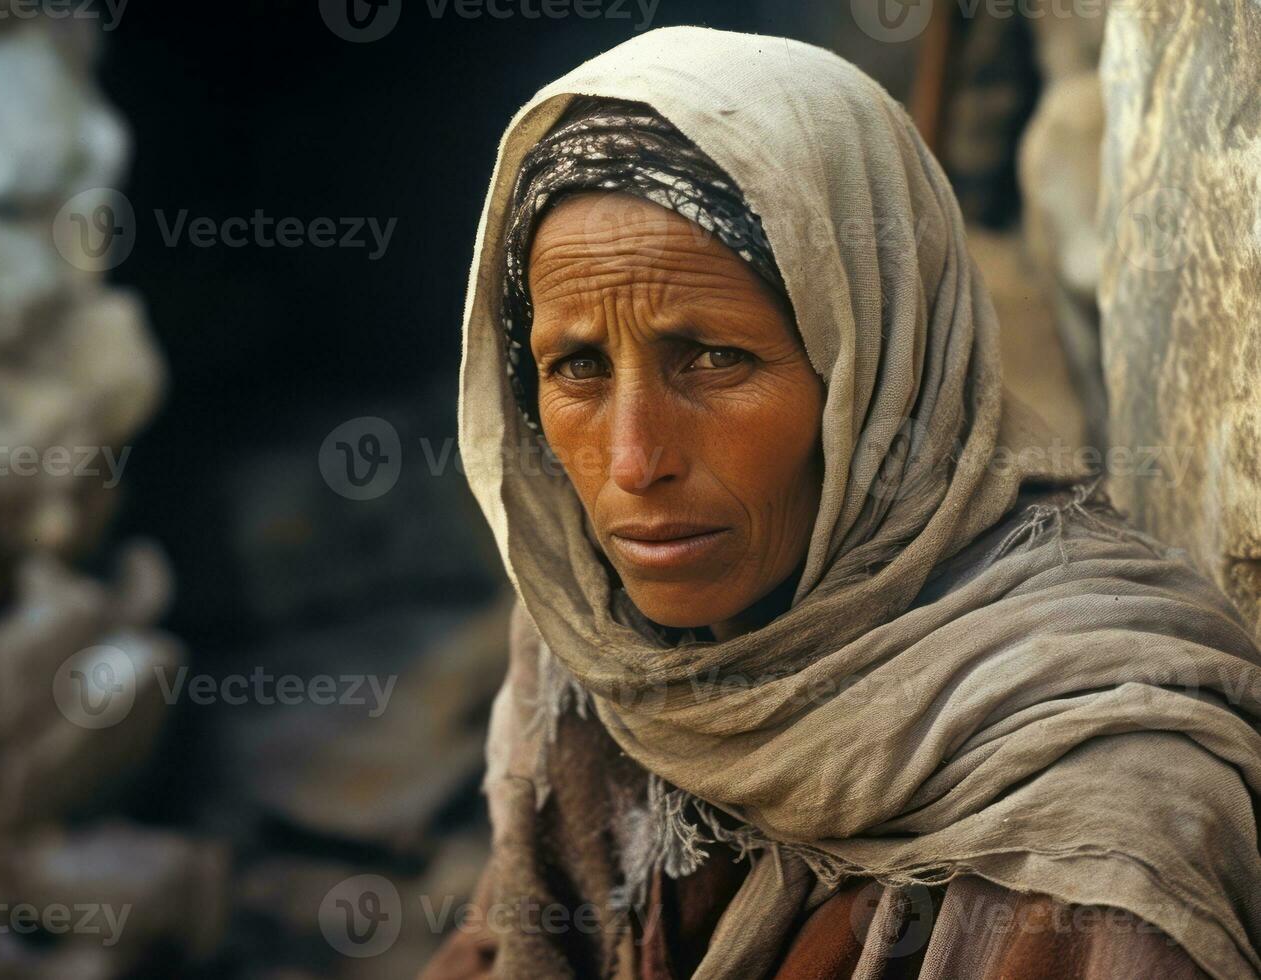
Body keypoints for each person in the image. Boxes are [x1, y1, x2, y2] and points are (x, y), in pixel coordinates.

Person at [423, 26, 1261, 979]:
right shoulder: (599, 653)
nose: (633, 461)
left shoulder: (1098, 808)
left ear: (881, 377)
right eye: (575, 366)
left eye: (714, 357)